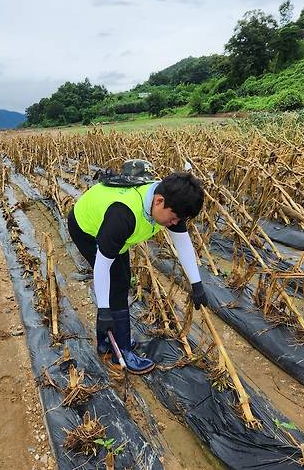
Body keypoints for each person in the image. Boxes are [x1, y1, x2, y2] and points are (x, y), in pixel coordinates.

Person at [67, 160, 209, 375]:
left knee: (122, 280)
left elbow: (183, 244)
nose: (174, 223)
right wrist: (103, 309)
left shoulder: (171, 203)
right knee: (117, 284)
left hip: (112, 230)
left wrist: (197, 284)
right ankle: (120, 352)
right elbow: (102, 267)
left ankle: (106, 342)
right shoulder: (123, 215)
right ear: (159, 201)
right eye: (172, 218)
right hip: (86, 227)